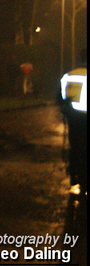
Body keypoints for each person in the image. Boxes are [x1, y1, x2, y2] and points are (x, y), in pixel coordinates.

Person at [59, 48, 87, 195]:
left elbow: (60, 99)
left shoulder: (68, 76)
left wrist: (66, 111)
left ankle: (74, 176)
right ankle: (84, 180)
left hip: (73, 119)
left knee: (75, 147)